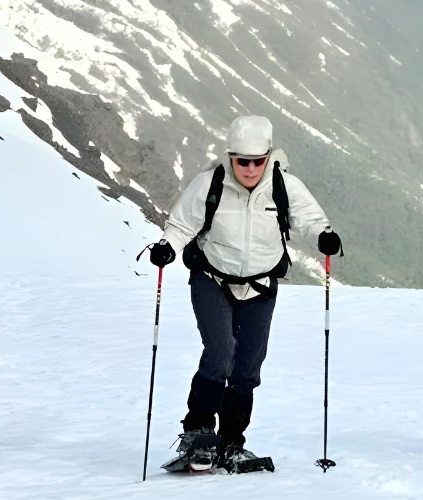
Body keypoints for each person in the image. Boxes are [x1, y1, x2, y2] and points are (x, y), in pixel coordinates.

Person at [147, 115, 342, 473]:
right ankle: (198, 433)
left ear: (268, 156)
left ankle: (232, 442)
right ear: (231, 157)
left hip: (261, 284)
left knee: (248, 365)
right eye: (242, 161)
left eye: (257, 161)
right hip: (212, 280)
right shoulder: (211, 183)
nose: (250, 168)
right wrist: (167, 247)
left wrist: (324, 236)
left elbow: (309, 218)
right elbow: (182, 224)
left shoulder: (284, 186)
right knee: (221, 353)